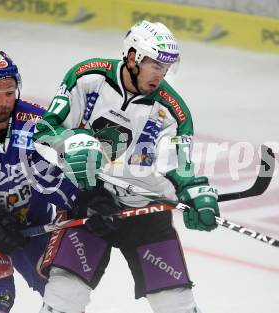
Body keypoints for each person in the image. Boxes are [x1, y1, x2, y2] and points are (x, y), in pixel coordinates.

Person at [34, 21, 221, 313]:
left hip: (144, 214)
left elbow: (178, 168)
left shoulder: (171, 111)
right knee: (64, 295)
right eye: (156, 65)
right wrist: (70, 142)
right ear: (133, 57)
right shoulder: (87, 77)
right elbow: (45, 131)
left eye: (166, 68)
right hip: (89, 208)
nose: (161, 75)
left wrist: (194, 192)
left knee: (176, 304)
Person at [0, 51, 114, 313]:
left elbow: (56, 173)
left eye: (9, 92)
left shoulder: (37, 123)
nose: (4, 102)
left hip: (31, 223)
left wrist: (87, 198)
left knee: (63, 293)